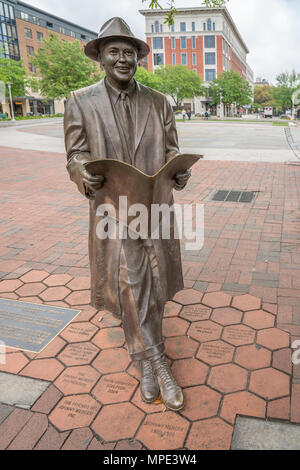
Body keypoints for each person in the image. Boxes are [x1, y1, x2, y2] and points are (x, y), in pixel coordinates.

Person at [64, 18, 191, 412]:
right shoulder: (80, 100)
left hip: (154, 207)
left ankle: (147, 359)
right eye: (114, 51)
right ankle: (155, 362)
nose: (123, 59)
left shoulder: (159, 101)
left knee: (154, 280)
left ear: (138, 57)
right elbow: (75, 154)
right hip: (112, 210)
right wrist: (81, 172)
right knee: (132, 282)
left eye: (130, 52)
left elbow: (171, 148)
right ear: (101, 56)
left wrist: (178, 168)